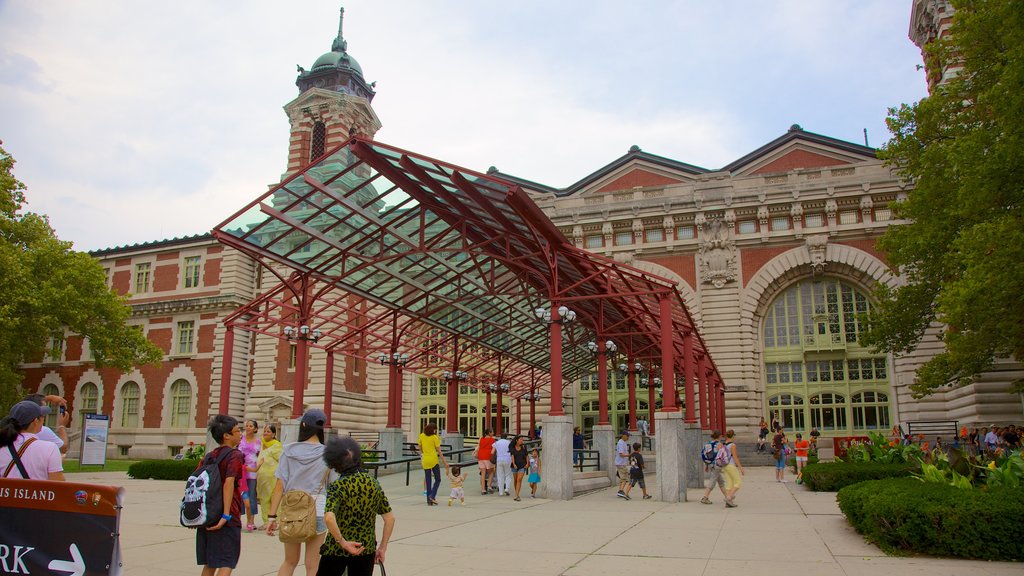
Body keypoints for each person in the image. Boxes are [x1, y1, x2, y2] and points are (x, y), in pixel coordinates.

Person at [267, 409, 336, 576]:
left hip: (292, 507)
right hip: (317, 507)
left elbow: (279, 486)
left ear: (304, 425)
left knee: (290, 561)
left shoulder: (288, 451)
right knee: (313, 564)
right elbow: (333, 485)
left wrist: (271, 516)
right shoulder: (328, 454)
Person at [317, 436, 395, 576]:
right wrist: (382, 547)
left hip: (336, 551)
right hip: (365, 549)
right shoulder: (373, 484)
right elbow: (390, 518)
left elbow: (329, 517)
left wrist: (343, 542)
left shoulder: (338, 486)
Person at [195, 415, 244, 576]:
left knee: (210, 562)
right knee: (226, 562)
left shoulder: (210, 455)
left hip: (208, 513)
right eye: (237, 431)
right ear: (226, 435)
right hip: (227, 515)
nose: (241, 434)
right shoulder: (234, 455)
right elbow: (229, 482)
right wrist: (226, 515)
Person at [0, 400, 64, 481]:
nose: (43, 420)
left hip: (7, 493)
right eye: (42, 417)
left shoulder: (2, 444)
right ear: (35, 421)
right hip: (36, 493)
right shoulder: (50, 448)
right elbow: (57, 485)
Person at [255, 424, 283, 528]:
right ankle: (266, 522)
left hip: (273, 476)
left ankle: (277, 521)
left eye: (268, 432)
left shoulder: (277, 445)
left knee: (274, 498)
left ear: (274, 434)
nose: (266, 433)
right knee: (263, 499)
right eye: (265, 431)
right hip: (262, 477)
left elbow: (281, 460)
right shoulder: (260, 443)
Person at [238, 419, 261, 532]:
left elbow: (261, 455)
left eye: (251, 426)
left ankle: (251, 521)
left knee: (251, 496)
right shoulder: (240, 439)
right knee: (240, 496)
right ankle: (238, 519)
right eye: (246, 425)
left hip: (252, 472)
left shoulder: (258, 442)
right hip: (240, 471)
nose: (248, 427)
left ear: (255, 429)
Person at [417, 423, 448, 505]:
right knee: (438, 479)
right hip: (433, 460)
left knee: (428, 480)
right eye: (435, 429)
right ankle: (432, 495)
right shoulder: (434, 437)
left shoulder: (422, 435)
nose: (435, 431)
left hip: (425, 460)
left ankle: (429, 500)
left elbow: (419, 447)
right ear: (432, 429)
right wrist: (445, 462)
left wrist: (423, 453)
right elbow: (439, 451)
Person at [700, 430, 728, 505]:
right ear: (719, 436)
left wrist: (706, 465)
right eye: (721, 436)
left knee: (721, 481)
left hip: (711, 465)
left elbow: (707, 455)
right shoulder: (719, 445)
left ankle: (727, 496)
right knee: (712, 481)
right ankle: (705, 497)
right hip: (717, 465)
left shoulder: (708, 444)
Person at [721, 429, 744, 508]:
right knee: (738, 482)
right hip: (731, 465)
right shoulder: (733, 445)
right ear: (733, 436)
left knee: (729, 484)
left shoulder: (724, 444)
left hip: (725, 466)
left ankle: (728, 502)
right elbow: (735, 457)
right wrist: (741, 468)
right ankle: (729, 497)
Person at [475, 428, 496, 495]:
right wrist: (492, 456)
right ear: (489, 433)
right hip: (488, 456)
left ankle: (483, 489)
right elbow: (493, 449)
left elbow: (478, 447)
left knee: (483, 473)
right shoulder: (492, 439)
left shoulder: (481, 439)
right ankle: (489, 486)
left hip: (481, 456)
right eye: (492, 432)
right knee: (491, 472)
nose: (493, 433)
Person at [509, 435, 528, 501]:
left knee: (519, 479)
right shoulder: (513, 447)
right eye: (520, 439)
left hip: (522, 465)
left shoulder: (523, 447)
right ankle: (517, 494)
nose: (522, 441)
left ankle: (516, 495)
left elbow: (526, 456)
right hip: (515, 466)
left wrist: (527, 463)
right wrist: (514, 464)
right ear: (517, 440)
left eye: (522, 440)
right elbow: (512, 456)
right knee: (516, 480)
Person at [615, 430, 631, 498]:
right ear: (623, 436)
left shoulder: (623, 442)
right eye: (627, 436)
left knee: (623, 477)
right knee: (625, 478)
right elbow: (621, 454)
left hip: (622, 463)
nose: (628, 437)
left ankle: (620, 490)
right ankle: (620, 491)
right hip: (621, 463)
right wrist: (629, 455)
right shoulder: (621, 443)